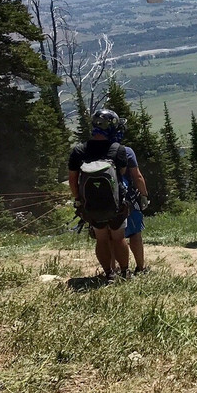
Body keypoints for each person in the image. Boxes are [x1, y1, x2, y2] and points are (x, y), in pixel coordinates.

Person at [68, 109, 132, 281]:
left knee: (101, 239)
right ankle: (125, 272)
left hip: (91, 205)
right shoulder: (117, 149)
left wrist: (79, 200)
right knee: (119, 238)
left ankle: (109, 273)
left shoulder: (79, 151)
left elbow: (73, 180)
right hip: (116, 204)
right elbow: (122, 172)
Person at [113, 121, 151, 274]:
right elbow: (137, 176)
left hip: (106, 202)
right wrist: (143, 195)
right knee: (135, 233)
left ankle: (113, 271)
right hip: (128, 199)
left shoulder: (96, 153)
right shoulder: (126, 151)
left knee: (112, 237)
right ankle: (140, 268)